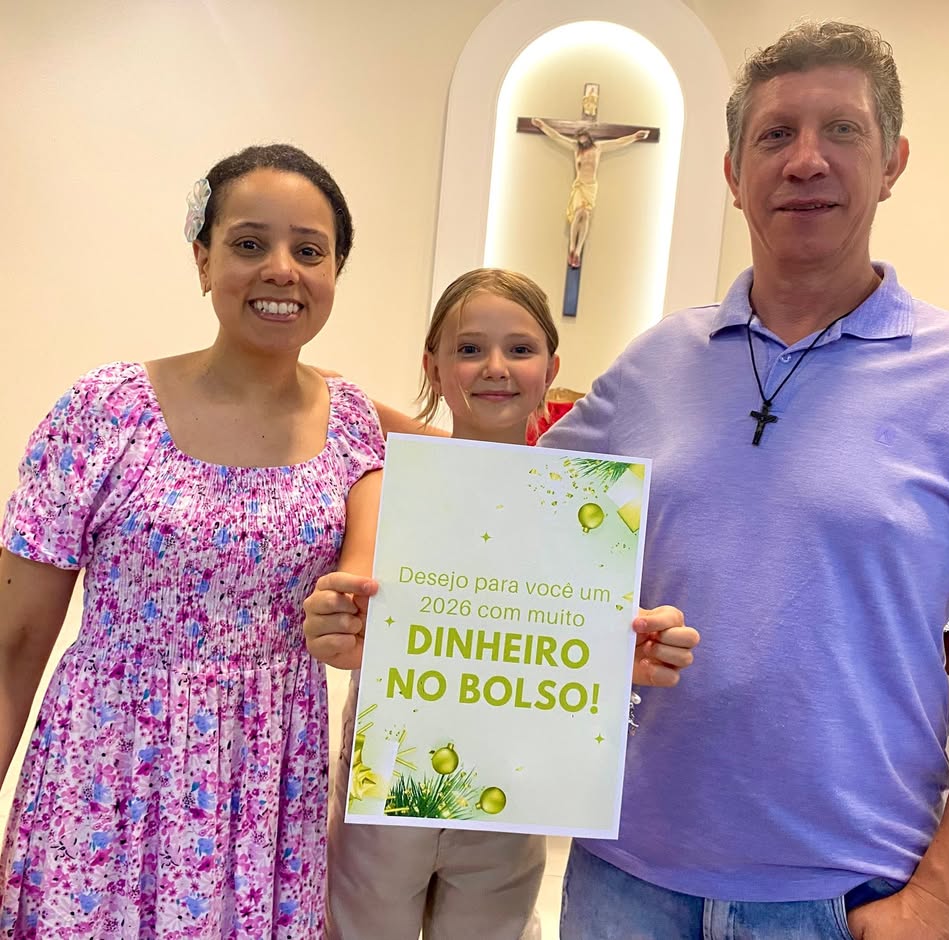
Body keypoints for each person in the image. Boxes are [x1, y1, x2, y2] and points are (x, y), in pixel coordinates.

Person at [535, 21, 949, 940]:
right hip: (622, 878)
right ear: (732, 171)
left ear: (894, 161)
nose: (806, 160)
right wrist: (343, 437)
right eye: (776, 134)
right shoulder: (656, 362)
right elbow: (506, 522)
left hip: (848, 894)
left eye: (844, 130)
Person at [0, 144, 384, 937]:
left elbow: (481, 465)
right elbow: (13, 645)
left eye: (309, 251)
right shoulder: (106, 411)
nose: (281, 269)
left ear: (336, 272)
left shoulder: (351, 421)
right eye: (249, 243)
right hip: (103, 786)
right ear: (204, 260)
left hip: (265, 797)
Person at [303, 268, 699, 939]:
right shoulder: (390, 484)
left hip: (509, 790)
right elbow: (353, 604)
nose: (495, 367)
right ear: (432, 366)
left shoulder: (584, 508)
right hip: (391, 782)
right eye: (468, 349)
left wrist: (633, 652)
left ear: (551, 370)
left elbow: (598, 639)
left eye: (520, 349)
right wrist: (337, 619)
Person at [530, 117, 650, 268]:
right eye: (580, 140)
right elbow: (556, 136)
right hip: (580, 185)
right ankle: (572, 247)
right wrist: (542, 126)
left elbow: (618, 142)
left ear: (589, 137)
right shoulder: (576, 148)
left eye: (584, 139)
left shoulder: (598, 147)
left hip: (590, 186)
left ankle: (578, 250)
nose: (582, 142)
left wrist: (634, 136)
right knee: (578, 213)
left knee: (586, 215)